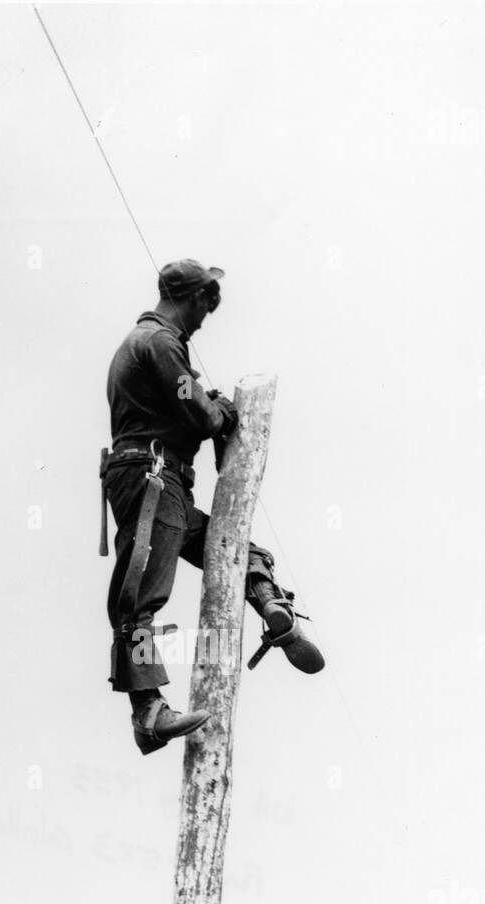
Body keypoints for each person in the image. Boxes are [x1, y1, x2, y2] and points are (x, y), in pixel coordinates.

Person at [101, 259, 324, 755]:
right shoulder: (158, 343)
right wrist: (220, 413)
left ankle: (271, 605)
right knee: (140, 596)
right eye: (208, 303)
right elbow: (199, 414)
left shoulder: (154, 346)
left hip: (164, 483)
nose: (207, 316)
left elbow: (182, 404)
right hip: (151, 479)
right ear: (194, 296)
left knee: (232, 549)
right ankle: (148, 711)